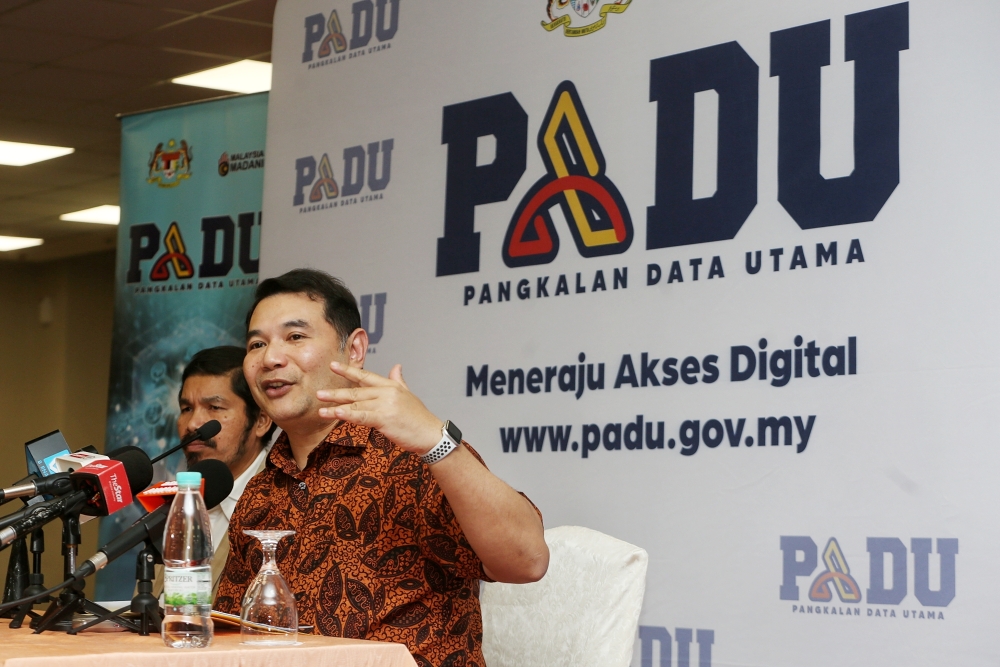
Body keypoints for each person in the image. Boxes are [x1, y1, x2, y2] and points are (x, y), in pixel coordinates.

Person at [214, 269, 548, 667]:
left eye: (295, 336)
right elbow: (230, 634)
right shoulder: (261, 491)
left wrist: (434, 440)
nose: (270, 358)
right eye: (256, 344)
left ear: (353, 349)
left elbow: (528, 560)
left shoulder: (414, 457)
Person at [168, 346, 276, 596]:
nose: (193, 424)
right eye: (186, 409)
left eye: (214, 408)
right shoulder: (177, 503)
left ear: (260, 421)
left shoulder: (281, 505)